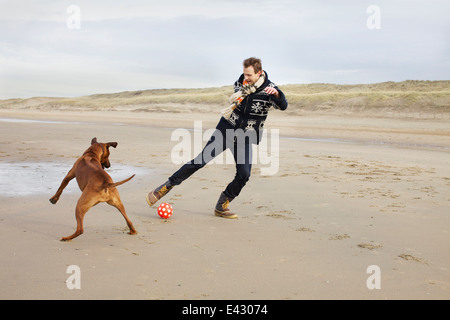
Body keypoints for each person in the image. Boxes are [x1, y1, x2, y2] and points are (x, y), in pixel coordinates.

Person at [146, 57, 288, 219]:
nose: (245, 78)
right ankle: (165, 187)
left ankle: (222, 204)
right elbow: (240, 94)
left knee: (244, 174)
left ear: (259, 73)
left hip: (245, 137)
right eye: (244, 74)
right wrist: (246, 87)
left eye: (249, 75)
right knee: (200, 161)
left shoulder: (270, 89)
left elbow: (283, 105)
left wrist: (277, 95)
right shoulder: (241, 84)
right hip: (226, 130)